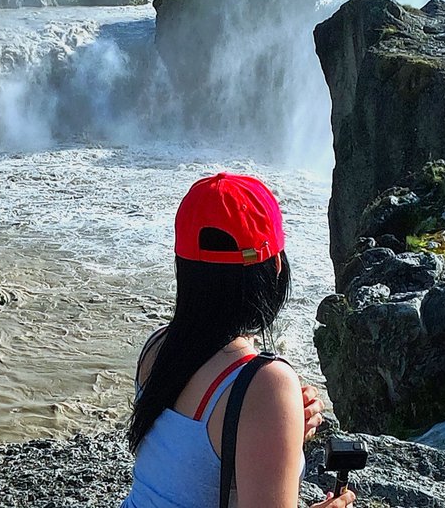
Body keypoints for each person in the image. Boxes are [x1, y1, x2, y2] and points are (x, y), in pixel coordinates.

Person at [122, 172, 355, 508]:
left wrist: (281, 430)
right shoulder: (264, 384)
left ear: (184, 267)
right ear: (275, 267)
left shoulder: (156, 349)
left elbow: (185, 469)